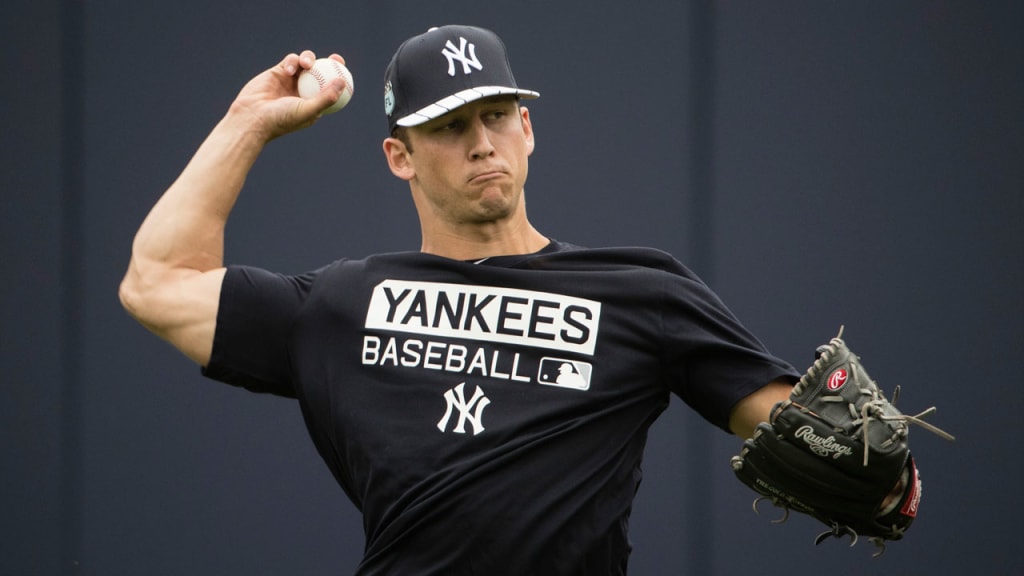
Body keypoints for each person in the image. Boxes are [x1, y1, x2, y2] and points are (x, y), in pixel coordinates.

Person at [120, 25, 800, 575]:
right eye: (448, 126)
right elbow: (157, 281)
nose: (480, 144)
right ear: (400, 156)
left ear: (525, 129)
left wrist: (853, 461)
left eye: (495, 116)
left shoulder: (639, 293)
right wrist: (248, 123)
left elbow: (805, 432)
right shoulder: (342, 305)